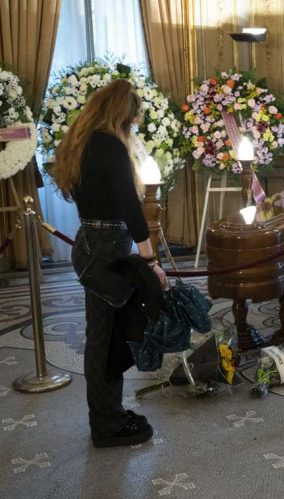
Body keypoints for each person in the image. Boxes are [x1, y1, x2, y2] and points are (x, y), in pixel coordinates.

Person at [52, 79, 168, 448]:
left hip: (94, 246)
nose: (133, 127)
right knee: (104, 340)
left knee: (105, 336)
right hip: (105, 252)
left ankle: (108, 415)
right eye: (132, 120)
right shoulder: (110, 147)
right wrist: (150, 259)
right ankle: (106, 423)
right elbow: (131, 208)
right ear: (121, 114)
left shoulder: (84, 142)